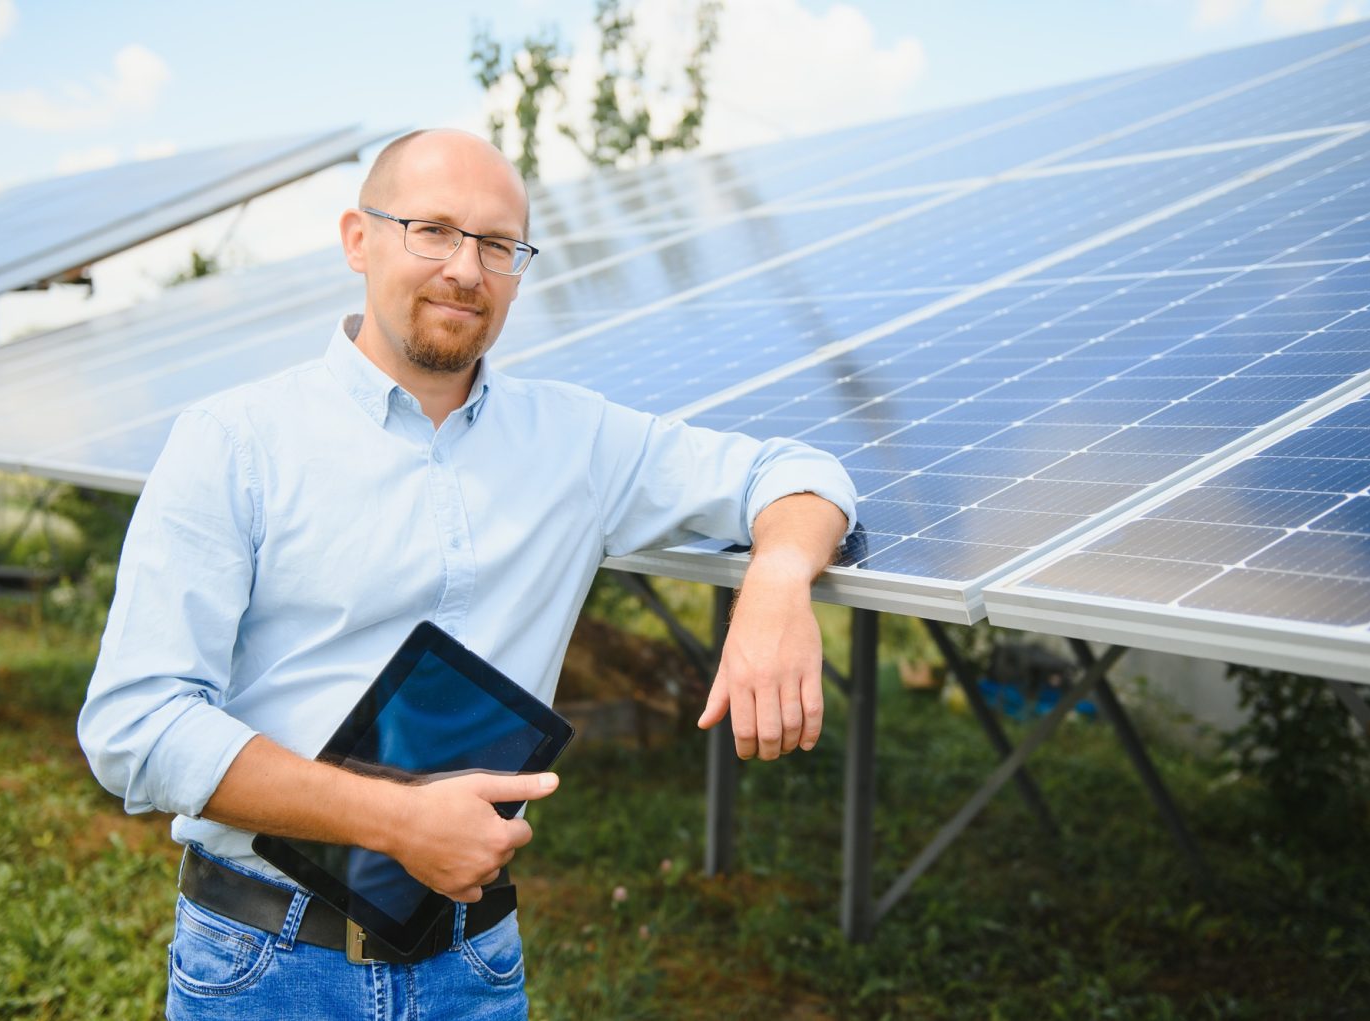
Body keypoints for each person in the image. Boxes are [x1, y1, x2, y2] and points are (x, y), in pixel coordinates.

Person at [78, 128, 855, 1020]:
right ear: (357, 239)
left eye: (498, 245)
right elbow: (135, 725)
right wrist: (393, 818)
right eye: (433, 230)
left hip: (473, 965)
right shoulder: (235, 441)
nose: (467, 269)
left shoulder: (577, 441)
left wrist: (776, 581)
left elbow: (797, 472)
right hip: (263, 965)